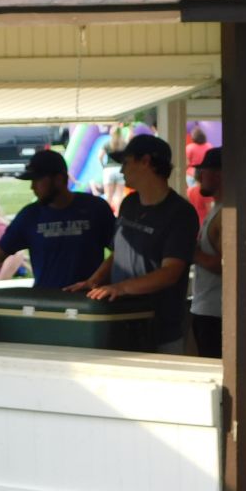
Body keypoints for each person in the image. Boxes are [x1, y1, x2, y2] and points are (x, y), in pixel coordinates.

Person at [66, 135, 199, 354]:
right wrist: (94, 281)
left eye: (126, 162)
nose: (121, 170)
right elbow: (118, 253)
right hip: (120, 323)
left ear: (146, 162)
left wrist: (121, 288)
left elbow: (170, 272)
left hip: (160, 330)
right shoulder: (129, 203)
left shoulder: (180, 213)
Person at [0, 150, 115, 302]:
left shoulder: (95, 209)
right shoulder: (30, 216)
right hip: (45, 306)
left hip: (88, 304)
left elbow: (121, 251)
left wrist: (94, 281)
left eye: (37, 180)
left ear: (59, 179)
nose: (32, 187)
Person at [190, 147, 224, 358]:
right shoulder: (218, 209)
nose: (199, 176)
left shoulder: (227, 213)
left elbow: (225, 265)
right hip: (207, 308)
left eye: (204, 171)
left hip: (215, 312)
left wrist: (190, 250)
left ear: (220, 174)